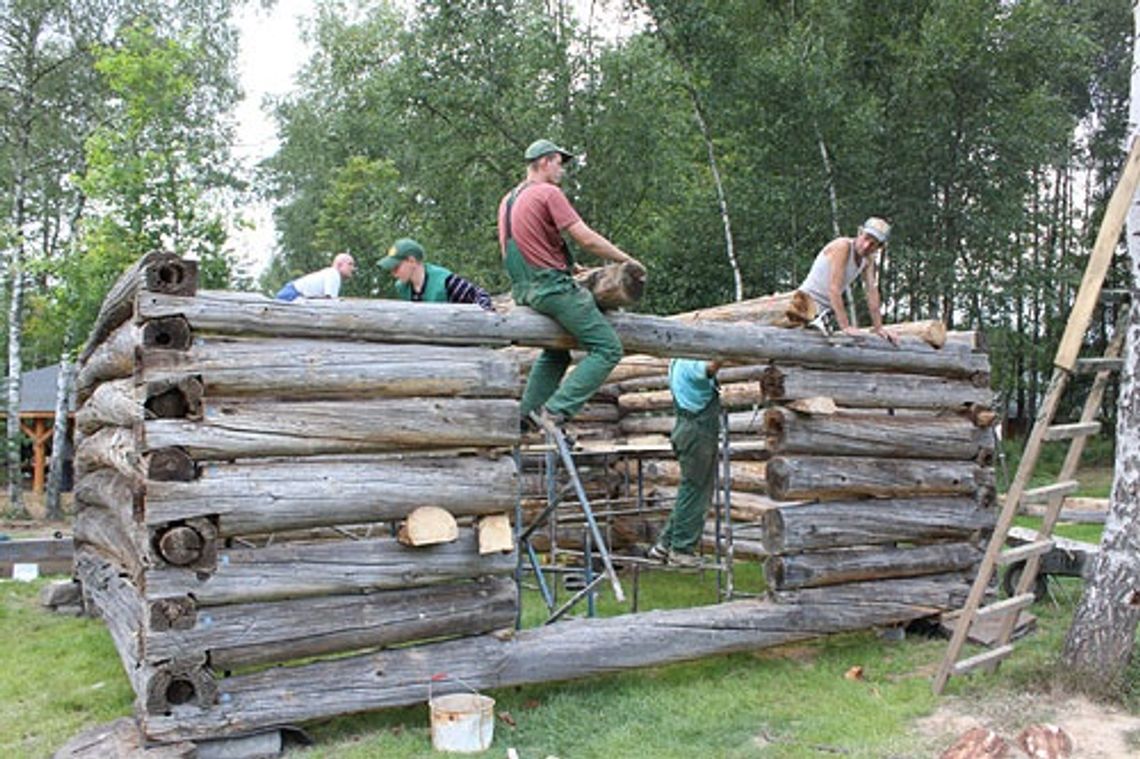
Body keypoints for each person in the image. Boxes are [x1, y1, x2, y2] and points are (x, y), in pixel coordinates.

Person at [498, 138, 645, 429]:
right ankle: (557, 411)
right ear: (543, 162)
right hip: (551, 289)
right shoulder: (547, 193)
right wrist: (627, 261)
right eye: (558, 163)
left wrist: (567, 266)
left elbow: (514, 248)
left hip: (523, 290)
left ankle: (525, 416)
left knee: (557, 351)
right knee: (607, 348)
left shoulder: (508, 200)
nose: (562, 170)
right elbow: (586, 237)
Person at [648, 357, 722, 568]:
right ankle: (681, 549)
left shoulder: (676, 361)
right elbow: (710, 367)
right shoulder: (689, 361)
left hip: (689, 431)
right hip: (697, 433)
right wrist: (727, 350)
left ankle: (664, 545)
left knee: (689, 491)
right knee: (695, 493)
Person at [797, 217, 895, 342]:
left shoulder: (868, 259)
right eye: (866, 238)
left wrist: (879, 327)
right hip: (804, 304)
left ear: (878, 248)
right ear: (859, 232)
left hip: (824, 312)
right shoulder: (842, 246)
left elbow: (872, 291)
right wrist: (845, 326)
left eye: (872, 244)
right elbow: (834, 289)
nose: (866, 246)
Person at [379, 237, 494, 311]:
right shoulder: (402, 288)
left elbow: (481, 296)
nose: (393, 273)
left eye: (396, 267)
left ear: (412, 261)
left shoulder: (445, 280)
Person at [275, 253, 356, 301]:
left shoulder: (331, 273)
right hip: (292, 295)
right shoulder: (333, 274)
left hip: (293, 293)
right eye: (350, 264)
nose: (353, 268)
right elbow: (330, 302)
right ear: (339, 264)